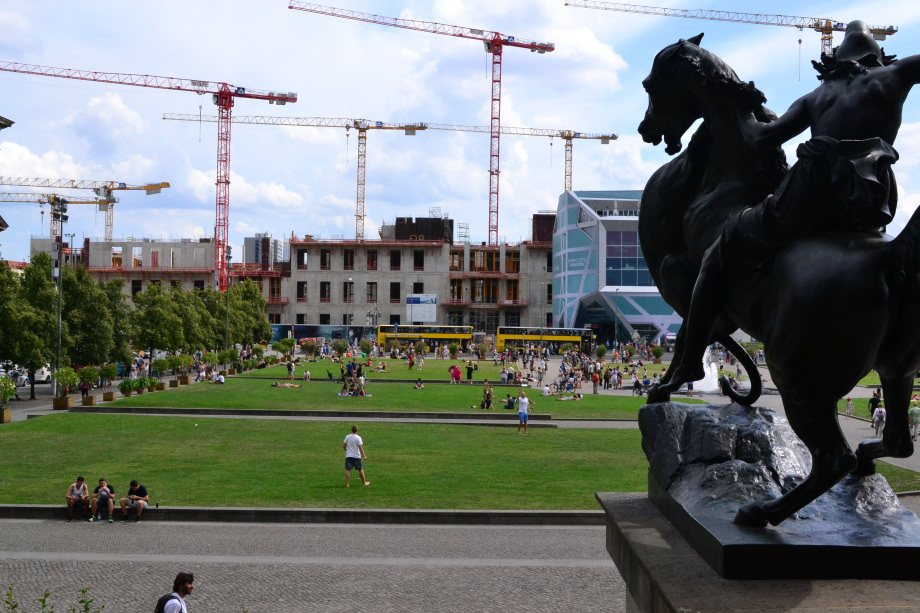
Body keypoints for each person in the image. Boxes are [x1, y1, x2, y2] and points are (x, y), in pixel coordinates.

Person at [663, 20, 920, 390]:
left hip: (809, 198)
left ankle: (690, 361)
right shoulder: (894, 76)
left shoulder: (816, 97)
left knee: (717, 254)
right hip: (866, 200)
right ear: (877, 58)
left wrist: (742, 108)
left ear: (834, 60)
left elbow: (759, 139)